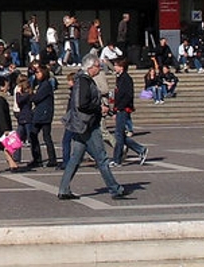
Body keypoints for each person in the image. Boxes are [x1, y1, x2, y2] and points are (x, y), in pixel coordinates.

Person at [57, 53, 134, 201]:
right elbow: (82, 104)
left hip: (81, 124)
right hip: (87, 125)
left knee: (75, 158)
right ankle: (115, 189)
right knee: (102, 158)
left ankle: (63, 189)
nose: (100, 68)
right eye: (98, 66)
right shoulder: (84, 81)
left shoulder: (82, 79)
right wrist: (99, 108)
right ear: (90, 67)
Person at [111, 59, 149, 166]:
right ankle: (141, 149)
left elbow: (127, 95)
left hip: (123, 109)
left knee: (119, 135)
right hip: (120, 108)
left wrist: (119, 108)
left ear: (121, 67)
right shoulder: (119, 78)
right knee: (120, 135)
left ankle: (117, 159)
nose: (114, 67)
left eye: (116, 65)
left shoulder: (126, 79)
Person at [29, 65, 57, 167]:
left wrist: (30, 95)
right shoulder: (41, 85)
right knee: (33, 135)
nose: (36, 75)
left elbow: (37, 98)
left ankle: (51, 159)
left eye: (38, 73)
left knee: (45, 136)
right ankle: (37, 158)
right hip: (40, 113)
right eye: (36, 73)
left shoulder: (46, 85)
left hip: (44, 114)